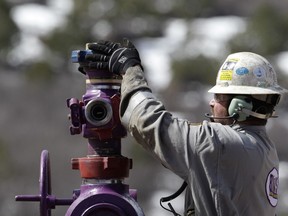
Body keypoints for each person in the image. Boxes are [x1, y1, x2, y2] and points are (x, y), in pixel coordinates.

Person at [82, 39, 287, 216]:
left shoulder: (221, 144)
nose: (212, 103)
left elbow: (148, 122)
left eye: (219, 97)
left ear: (239, 106)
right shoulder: (265, 149)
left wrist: (130, 70)